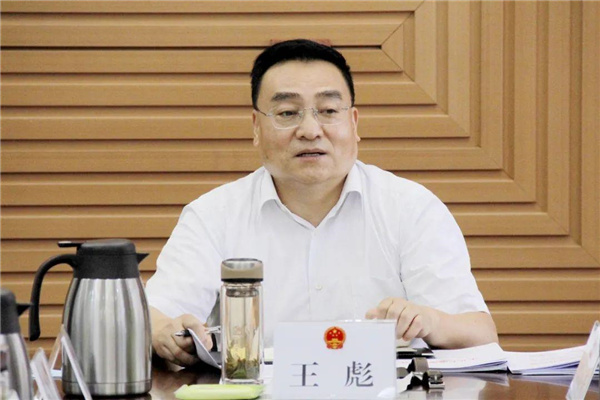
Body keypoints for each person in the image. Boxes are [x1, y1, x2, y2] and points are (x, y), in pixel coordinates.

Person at [145, 39, 498, 366]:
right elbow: (155, 316)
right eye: (287, 113)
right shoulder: (212, 215)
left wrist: (430, 321)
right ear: (256, 127)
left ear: (353, 122)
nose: (310, 130)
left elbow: (480, 334)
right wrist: (163, 332)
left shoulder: (412, 208)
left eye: (328, 110)